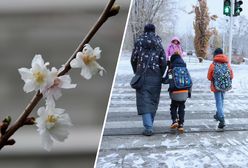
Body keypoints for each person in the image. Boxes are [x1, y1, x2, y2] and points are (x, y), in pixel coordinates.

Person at [131, 23, 166, 136]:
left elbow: (133, 59)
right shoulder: (158, 43)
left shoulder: (139, 42)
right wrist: (161, 73)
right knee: (153, 100)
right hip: (156, 75)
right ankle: (149, 123)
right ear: (154, 31)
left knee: (144, 100)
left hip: (142, 74)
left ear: (144, 31)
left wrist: (137, 71)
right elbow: (163, 61)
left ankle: (148, 126)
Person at [163, 53, 192, 133]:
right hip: (184, 91)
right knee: (182, 107)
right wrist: (189, 93)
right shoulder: (184, 68)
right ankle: (181, 125)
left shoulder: (172, 69)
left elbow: (167, 80)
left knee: (173, 106)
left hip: (175, 91)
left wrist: (168, 69)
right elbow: (190, 81)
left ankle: (175, 120)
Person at [207, 48, 234, 129]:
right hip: (225, 86)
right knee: (221, 100)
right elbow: (232, 76)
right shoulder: (227, 64)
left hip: (216, 87)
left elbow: (209, 77)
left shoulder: (213, 64)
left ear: (215, 54)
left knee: (218, 101)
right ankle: (218, 114)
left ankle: (221, 118)